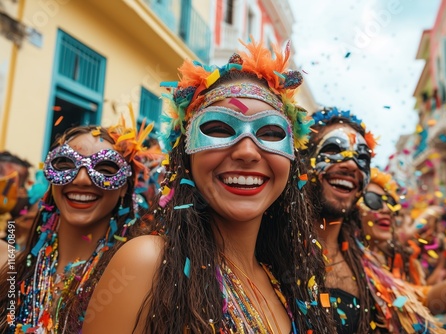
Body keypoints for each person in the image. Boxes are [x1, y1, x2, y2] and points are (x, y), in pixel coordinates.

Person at [83, 39, 336, 333]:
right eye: (218, 129)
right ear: (185, 155)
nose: (247, 152)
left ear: (292, 159)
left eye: (269, 132)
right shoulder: (147, 263)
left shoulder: (289, 280)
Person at [304, 107, 446, 333]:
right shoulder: (274, 253)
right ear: (302, 160)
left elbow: (422, 302)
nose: (351, 164)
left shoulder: (364, 266)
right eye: (333, 148)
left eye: (362, 158)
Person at [0, 118, 158, 333]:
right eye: (65, 164)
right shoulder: (6, 264)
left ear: (124, 188)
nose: (82, 179)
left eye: (105, 169)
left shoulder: (129, 278)